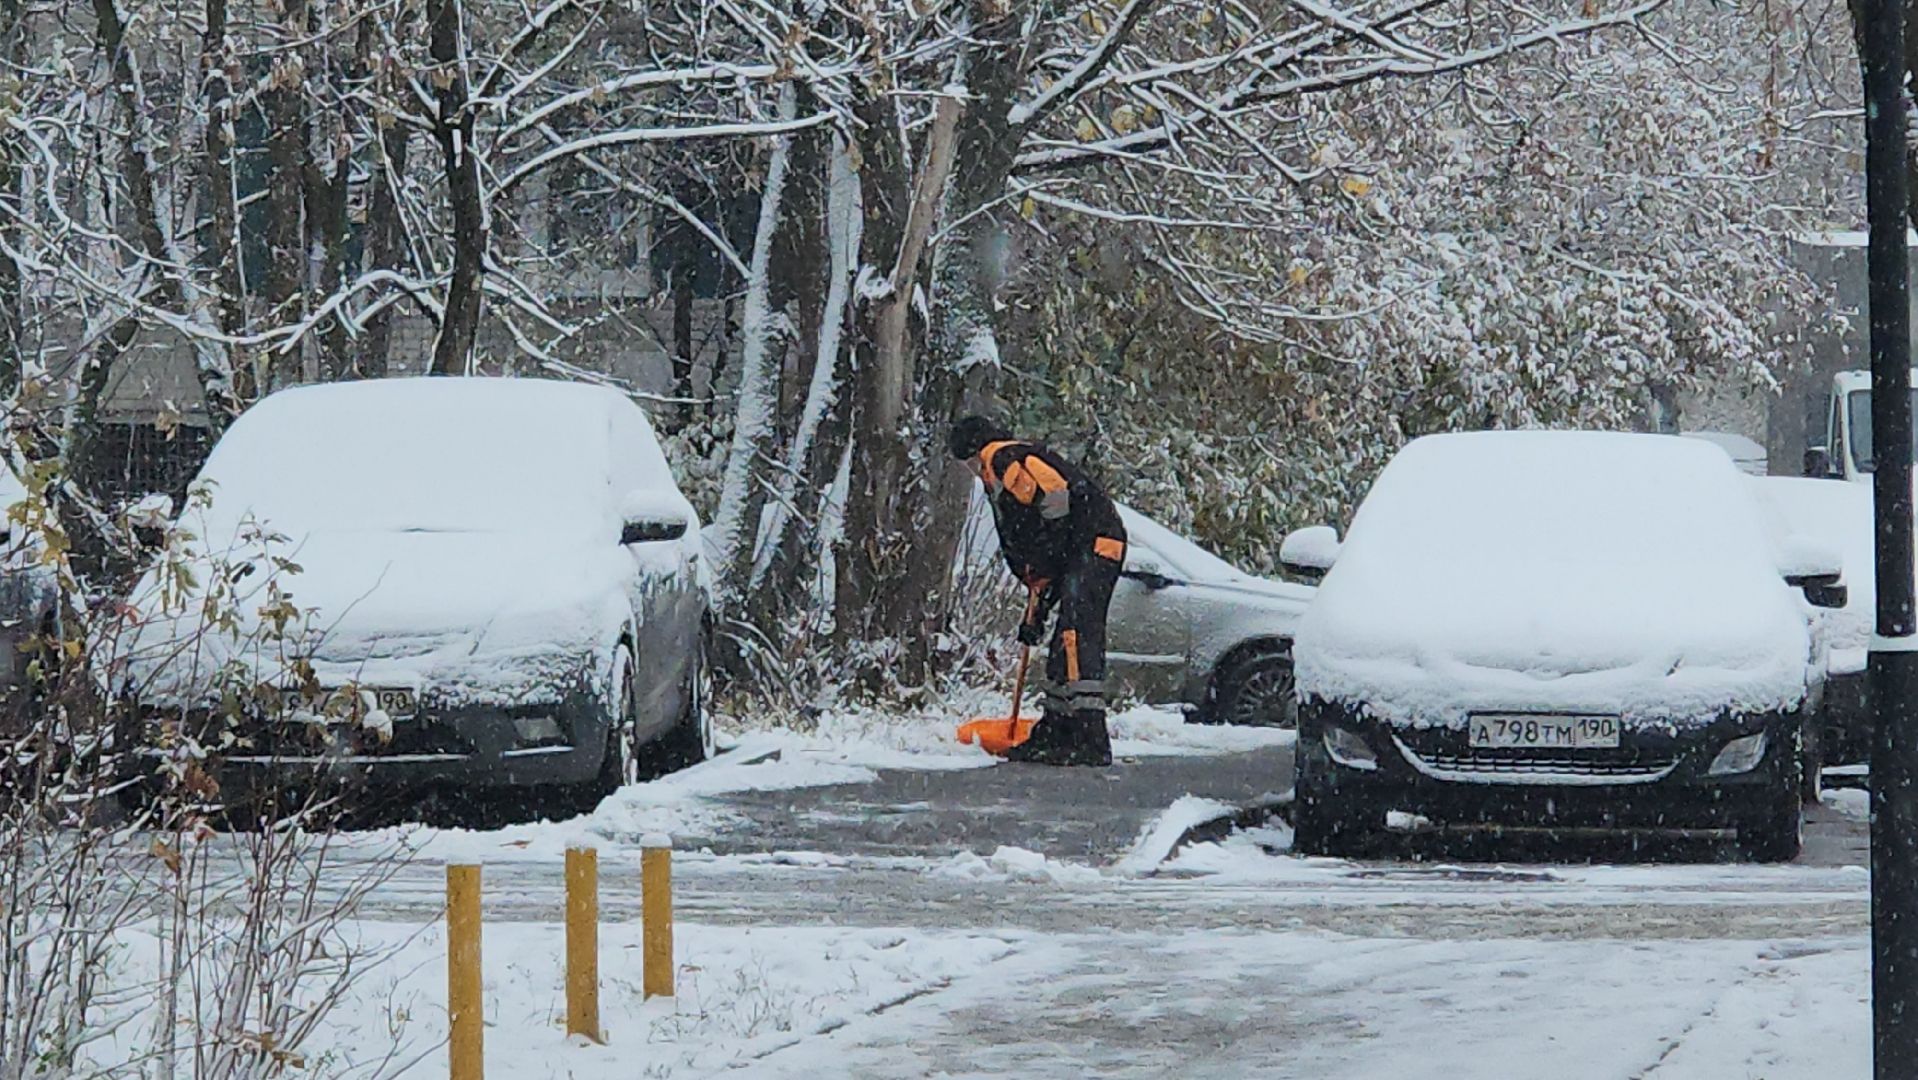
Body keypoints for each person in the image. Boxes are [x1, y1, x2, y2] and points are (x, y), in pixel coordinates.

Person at [950, 415, 1127, 767]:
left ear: (972, 452)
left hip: (1094, 545)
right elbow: (1038, 556)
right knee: (1063, 637)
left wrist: (1052, 545)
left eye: (967, 464)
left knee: (1078, 634)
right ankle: (1057, 727)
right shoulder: (1001, 465)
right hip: (1078, 552)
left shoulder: (1000, 457)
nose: (972, 472)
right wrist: (1036, 612)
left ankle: (1089, 736)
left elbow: (1054, 493)